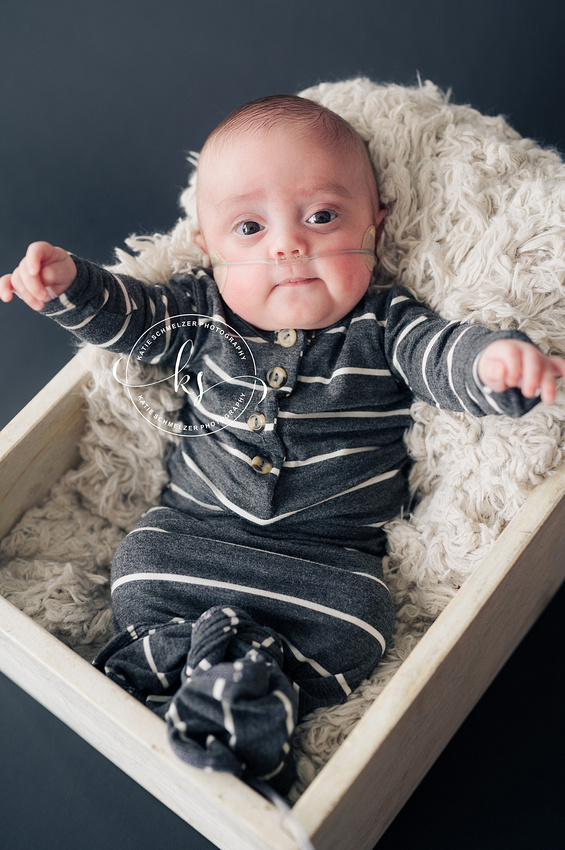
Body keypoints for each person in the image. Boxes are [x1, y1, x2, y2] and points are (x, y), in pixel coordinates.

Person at [2, 94, 565, 793]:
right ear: (208, 248)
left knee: (362, 623)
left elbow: (443, 355)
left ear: (374, 224)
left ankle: (211, 678)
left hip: (326, 569)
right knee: (138, 568)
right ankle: (232, 687)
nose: (288, 244)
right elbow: (131, 317)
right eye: (248, 226)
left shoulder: (384, 324)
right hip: (192, 539)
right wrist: (69, 285)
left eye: (322, 217)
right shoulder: (199, 313)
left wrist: (496, 364)